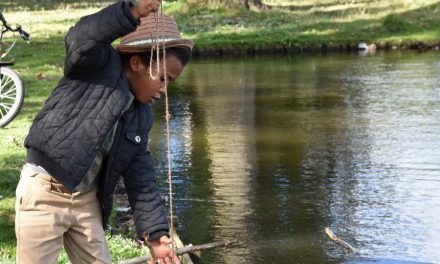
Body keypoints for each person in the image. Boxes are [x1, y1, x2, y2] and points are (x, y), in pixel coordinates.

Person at [15, 0, 192, 263]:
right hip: (44, 192)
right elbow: (81, 38)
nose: (164, 89)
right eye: (163, 78)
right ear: (136, 63)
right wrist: (130, 11)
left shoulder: (141, 115)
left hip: (87, 203)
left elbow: (140, 176)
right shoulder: (95, 66)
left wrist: (156, 235)